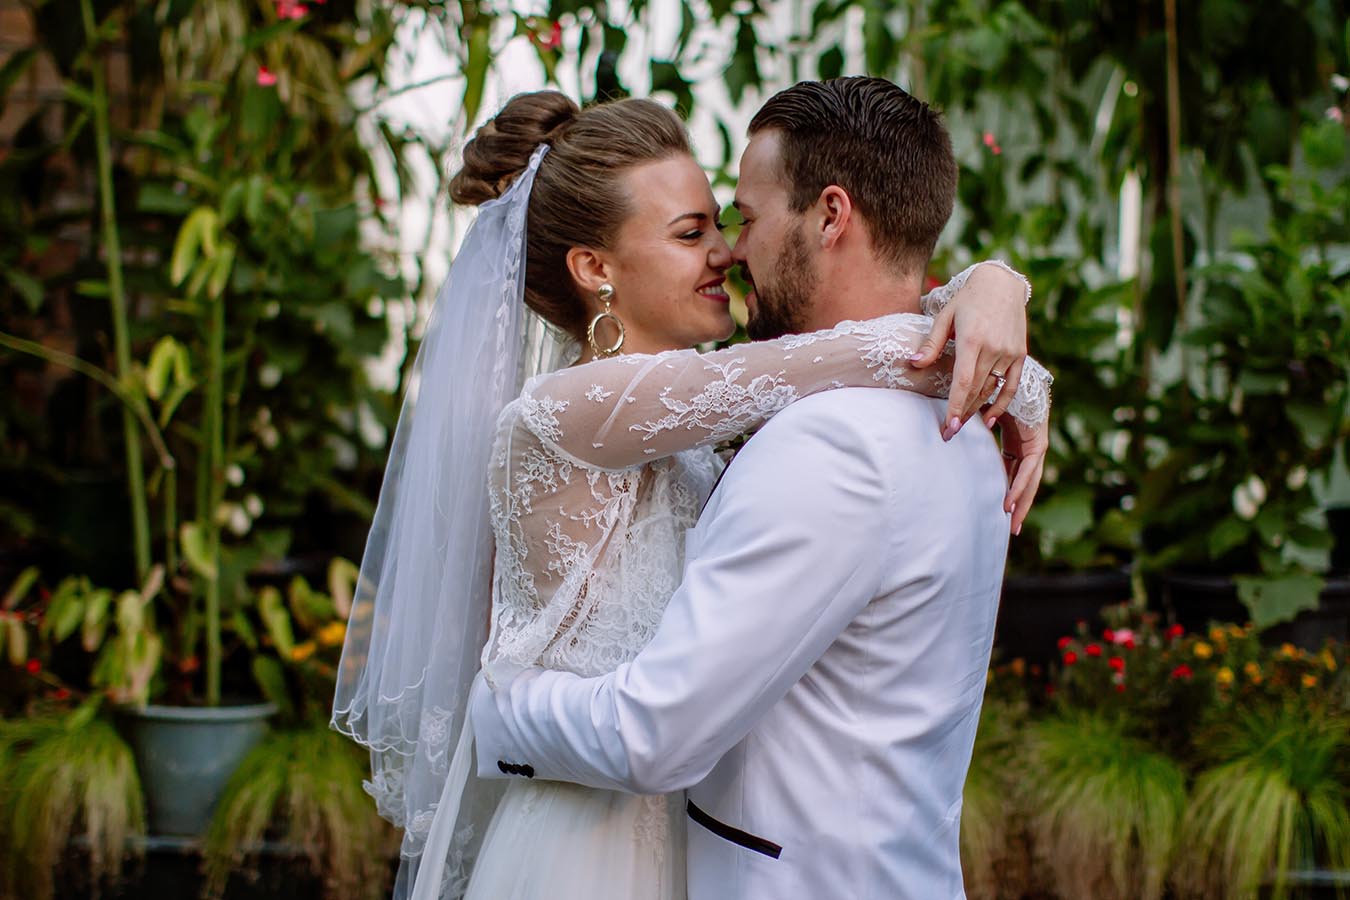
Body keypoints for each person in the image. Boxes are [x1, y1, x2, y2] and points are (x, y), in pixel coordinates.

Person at [333, 86, 1052, 900]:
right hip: (586, 842)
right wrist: (997, 320)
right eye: (692, 232)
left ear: (830, 215)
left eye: (728, 222)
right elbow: (828, 358)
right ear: (595, 269)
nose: (727, 252)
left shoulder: (726, 424)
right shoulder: (567, 410)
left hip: (674, 828)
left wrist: (992, 301)